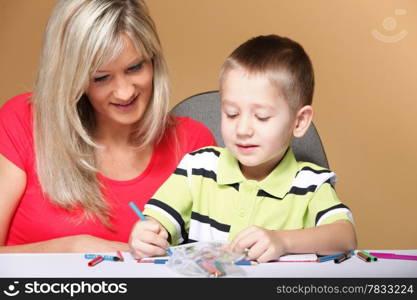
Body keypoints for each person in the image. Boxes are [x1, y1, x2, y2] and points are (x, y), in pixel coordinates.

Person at [0, 0, 215, 253]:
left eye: (135, 67)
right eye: (100, 78)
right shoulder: (22, 121)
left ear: (154, 60)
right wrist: (73, 248)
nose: (125, 93)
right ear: (71, 78)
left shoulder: (192, 143)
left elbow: (213, 260)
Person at [129, 34, 357, 262]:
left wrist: (283, 241)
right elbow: (156, 222)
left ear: (299, 122)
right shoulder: (197, 167)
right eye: (232, 114)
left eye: (262, 116)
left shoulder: (311, 185)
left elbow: (345, 237)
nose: (243, 129)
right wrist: (147, 234)